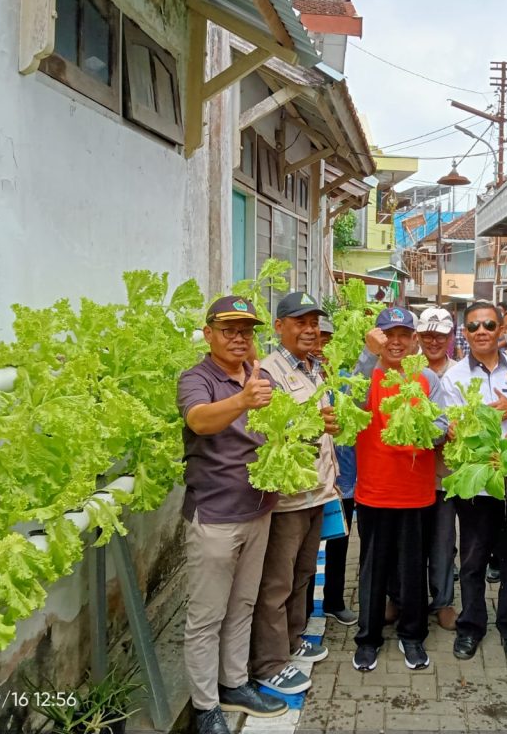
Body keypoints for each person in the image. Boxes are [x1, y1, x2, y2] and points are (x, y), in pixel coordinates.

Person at [177, 296, 288, 734]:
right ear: (208, 334)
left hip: (258, 509)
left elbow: (281, 425)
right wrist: (243, 399)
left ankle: (234, 682)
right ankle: (205, 706)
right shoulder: (197, 378)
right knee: (206, 615)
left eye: (246, 331)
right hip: (216, 514)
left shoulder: (257, 376)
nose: (239, 338)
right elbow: (200, 420)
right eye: (229, 330)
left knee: (242, 604)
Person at [249, 293, 340, 695]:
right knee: (277, 582)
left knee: (304, 573)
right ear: (279, 327)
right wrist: (311, 425)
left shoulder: (314, 368)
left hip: (316, 491)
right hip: (287, 499)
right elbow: (265, 434)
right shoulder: (267, 372)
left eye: (313, 323)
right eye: (299, 322)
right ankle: (269, 663)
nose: (309, 329)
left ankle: (292, 638)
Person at [350, 307, 447, 672]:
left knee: (412, 568)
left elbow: (440, 427)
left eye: (404, 335)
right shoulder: (367, 374)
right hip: (374, 490)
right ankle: (368, 639)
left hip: (416, 492)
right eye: (389, 334)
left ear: (414, 341)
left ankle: (413, 635)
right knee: (373, 568)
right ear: (379, 338)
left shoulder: (425, 379)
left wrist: (426, 425)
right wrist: (366, 356)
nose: (396, 341)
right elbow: (352, 407)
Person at [441, 302, 507, 661]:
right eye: (474, 326)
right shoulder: (454, 377)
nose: (482, 331)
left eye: (489, 325)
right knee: (473, 560)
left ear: (500, 331)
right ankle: (471, 626)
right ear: (465, 334)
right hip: (476, 485)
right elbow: (452, 431)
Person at [418, 306, 459, 631]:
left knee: (443, 543)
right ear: (418, 336)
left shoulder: (460, 373)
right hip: (409, 476)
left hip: (446, 476)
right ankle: (401, 597)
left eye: (440, 336)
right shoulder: (406, 370)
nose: (434, 341)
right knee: (407, 543)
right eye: (428, 335)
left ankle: (443, 600)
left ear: (450, 338)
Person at [316, 318, 359, 628]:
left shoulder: (346, 379)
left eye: (326, 341)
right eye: (316, 339)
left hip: (342, 479)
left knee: (338, 541)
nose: (320, 347)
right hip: (305, 481)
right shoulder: (292, 377)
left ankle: (334, 601)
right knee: (301, 552)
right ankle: (302, 609)